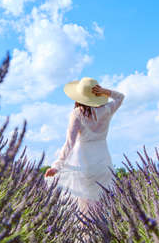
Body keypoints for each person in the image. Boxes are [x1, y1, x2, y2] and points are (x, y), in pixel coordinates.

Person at [45, 77, 125, 219]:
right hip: (103, 162)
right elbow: (120, 97)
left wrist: (57, 166)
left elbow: (70, 143)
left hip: (84, 163)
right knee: (102, 206)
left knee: (83, 207)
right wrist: (105, 92)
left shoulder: (78, 114)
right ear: (97, 95)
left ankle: (86, 238)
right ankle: (102, 237)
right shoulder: (107, 110)